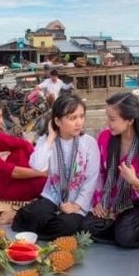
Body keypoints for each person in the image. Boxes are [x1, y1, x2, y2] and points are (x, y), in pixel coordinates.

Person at [12, 94, 100, 241]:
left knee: (67, 226)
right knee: (35, 215)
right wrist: (51, 137)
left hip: (77, 199)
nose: (79, 122)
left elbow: (92, 179)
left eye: (81, 117)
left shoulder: (88, 143)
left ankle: (40, 231)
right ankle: (44, 224)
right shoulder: (46, 141)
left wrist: (76, 205)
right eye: (72, 118)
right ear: (57, 121)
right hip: (53, 195)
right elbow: (38, 166)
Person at [82, 93, 139, 248]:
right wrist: (98, 201)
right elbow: (99, 173)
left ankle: (121, 227)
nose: (108, 123)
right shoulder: (105, 137)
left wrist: (136, 182)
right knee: (85, 226)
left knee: (126, 234)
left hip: (136, 203)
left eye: (112, 119)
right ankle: (118, 226)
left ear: (130, 120)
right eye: (108, 118)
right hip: (110, 199)